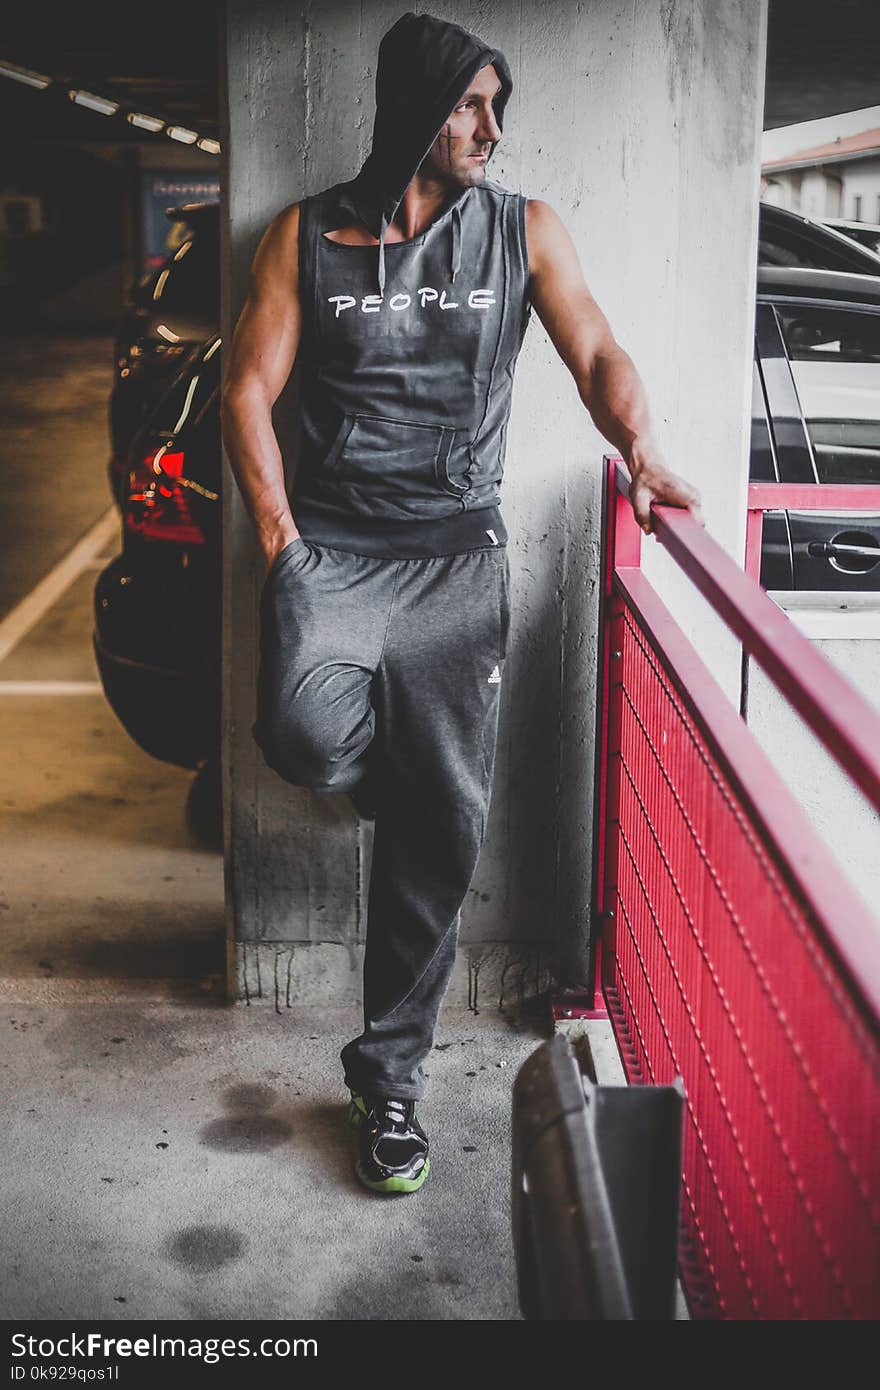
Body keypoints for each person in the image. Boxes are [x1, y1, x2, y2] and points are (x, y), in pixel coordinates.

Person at [220, 11, 701, 1197]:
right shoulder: (304, 235)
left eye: (498, 106)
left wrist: (639, 444)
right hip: (331, 553)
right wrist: (283, 546)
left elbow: (594, 351)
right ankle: (399, 763)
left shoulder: (521, 231)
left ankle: (388, 1084)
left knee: (439, 834)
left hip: (454, 566)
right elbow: (245, 388)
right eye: (467, 104)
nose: (488, 127)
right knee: (299, 729)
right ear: (413, 109)